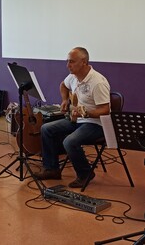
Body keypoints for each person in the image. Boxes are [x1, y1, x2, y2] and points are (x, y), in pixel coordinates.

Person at [36, 47, 111, 188]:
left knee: (69, 141)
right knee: (46, 128)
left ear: (84, 62)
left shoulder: (98, 82)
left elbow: (105, 110)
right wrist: (65, 100)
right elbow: (63, 85)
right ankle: (52, 169)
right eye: (67, 61)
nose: (67, 65)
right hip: (77, 120)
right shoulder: (73, 77)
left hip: (96, 124)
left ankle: (85, 174)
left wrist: (86, 113)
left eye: (71, 62)